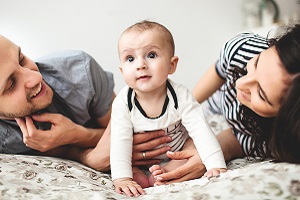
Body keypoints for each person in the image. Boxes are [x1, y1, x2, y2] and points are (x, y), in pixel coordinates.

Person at [149, 22, 300, 185]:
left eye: (261, 94)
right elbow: (218, 72)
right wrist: (180, 112)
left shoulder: (273, 140)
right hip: (216, 103)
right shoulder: (243, 50)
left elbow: (236, 138)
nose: (241, 83)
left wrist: (209, 154)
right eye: (256, 64)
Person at [0, 34, 171, 172]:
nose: (36, 77)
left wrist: (77, 135)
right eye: (10, 84)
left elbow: (137, 134)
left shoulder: (79, 71)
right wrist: (86, 157)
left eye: (21, 59)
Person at [110, 20, 227, 197]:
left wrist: (216, 165)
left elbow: (201, 130)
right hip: (142, 158)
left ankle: (165, 174)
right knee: (126, 162)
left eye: (151, 55)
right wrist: (122, 178)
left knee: (193, 149)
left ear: (172, 65)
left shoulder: (180, 96)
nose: (140, 64)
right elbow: (120, 142)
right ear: (122, 70)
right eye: (130, 58)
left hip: (176, 153)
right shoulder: (123, 103)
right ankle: (139, 174)